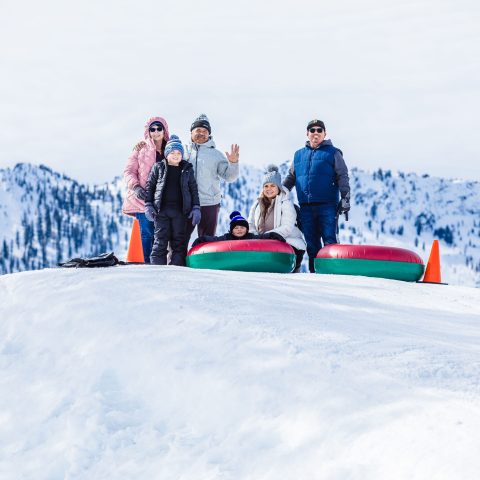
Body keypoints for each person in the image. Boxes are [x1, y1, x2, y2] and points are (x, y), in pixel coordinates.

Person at [283, 119, 350, 273]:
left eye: (319, 130)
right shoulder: (299, 155)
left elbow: (343, 176)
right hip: (306, 207)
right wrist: (279, 194)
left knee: (330, 241)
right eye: (312, 130)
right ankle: (315, 276)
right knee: (312, 245)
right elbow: (291, 178)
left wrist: (345, 198)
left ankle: (332, 274)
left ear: (325, 133)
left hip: (328, 206)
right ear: (307, 134)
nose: (316, 133)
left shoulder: (333, 153)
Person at [144, 135, 201, 266]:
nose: (176, 155)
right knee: (160, 241)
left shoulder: (187, 168)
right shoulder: (158, 167)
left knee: (179, 242)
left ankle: (177, 269)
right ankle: (157, 268)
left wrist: (196, 207)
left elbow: (193, 189)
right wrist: (148, 204)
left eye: (179, 153)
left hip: (180, 212)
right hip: (161, 211)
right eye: (173, 152)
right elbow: (150, 187)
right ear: (166, 154)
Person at [184, 113, 240, 241]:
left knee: (207, 240)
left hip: (209, 203)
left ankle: (205, 261)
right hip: (185, 203)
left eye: (205, 131)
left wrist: (233, 163)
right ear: (191, 132)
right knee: (179, 238)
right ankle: (176, 261)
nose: (201, 133)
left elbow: (230, 176)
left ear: (209, 134)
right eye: (198, 130)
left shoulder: (216, 155)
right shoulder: (182, 151)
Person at [123, 117, 169, 263]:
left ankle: (160, 263)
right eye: (152, 129)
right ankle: (147, 265)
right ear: (148, 132)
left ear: (164, 130)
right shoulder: (140, 149)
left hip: (164, 200)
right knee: (147, 233)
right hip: (143, 199)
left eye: (159, 128)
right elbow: (128, 171)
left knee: (162, 234)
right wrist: (136, 187)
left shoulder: (171, 149)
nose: (156, 132)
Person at [248, 164, 306, 272]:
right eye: (266, 186)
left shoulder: (286, 203)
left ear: (278, 187)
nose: (269, 189)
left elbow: (287, 227)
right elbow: (250, 224)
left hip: (289, 244)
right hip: (263, 244)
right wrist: (256, 237)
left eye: (272, 186)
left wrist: (267, 236)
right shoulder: (257, 204)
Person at [192, 211, 285, 247]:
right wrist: (202, 239)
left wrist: (272, 235)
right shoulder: (227, 237)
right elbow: (215, 240)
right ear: (231, 230)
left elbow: (262, 238)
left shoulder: (250, 237)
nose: (239, 230)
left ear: (247, 229)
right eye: (236, 228)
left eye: (242, 227)